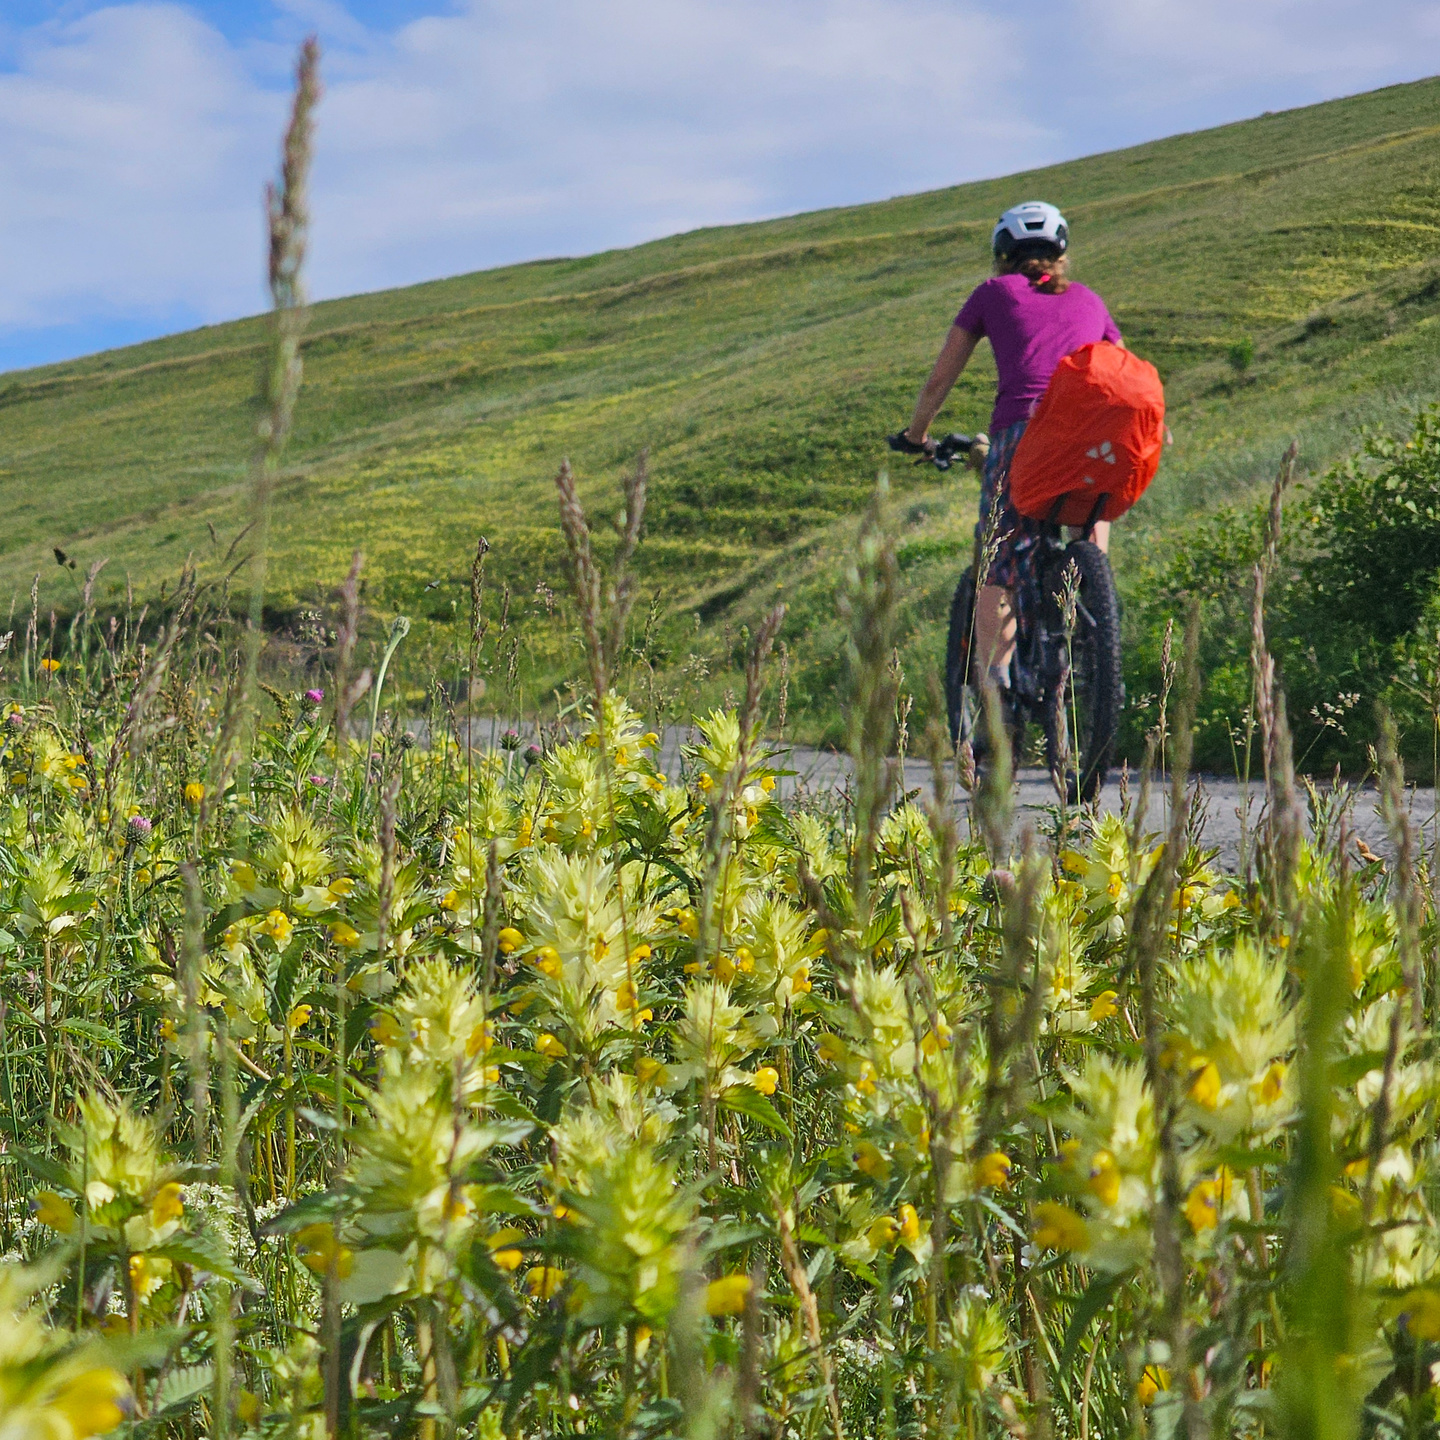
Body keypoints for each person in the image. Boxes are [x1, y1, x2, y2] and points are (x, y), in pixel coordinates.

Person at [895, 201, 1123, 696]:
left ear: (1002, 254)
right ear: (1061, 253)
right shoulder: (1090, 300)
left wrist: (917, 434)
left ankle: (995, 686)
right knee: (1090, 509)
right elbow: (1124, 372)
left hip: (1025, 431)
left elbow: (940, 378)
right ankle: (1092, 604)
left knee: (998, 559)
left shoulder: (992, 293)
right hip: (1092, 434)